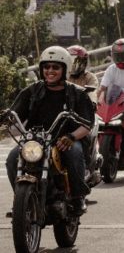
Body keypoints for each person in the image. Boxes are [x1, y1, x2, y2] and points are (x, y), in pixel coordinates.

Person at [4, 46, 94, 215]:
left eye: (55, 67)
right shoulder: (32, 91)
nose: (50, 71)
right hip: (35, 139)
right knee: (12, 159)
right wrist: (6, 117)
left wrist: (72, 136)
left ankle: (78, 197)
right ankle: (21, 201)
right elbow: (15, 114)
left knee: (74, 153)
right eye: (46, 67)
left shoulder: (77, 93)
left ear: (65, 69)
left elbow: (87, 124)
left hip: (64, 140)